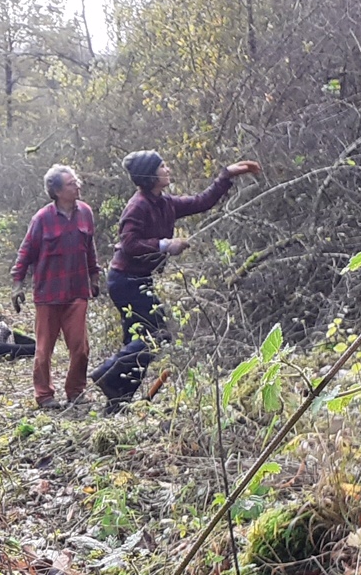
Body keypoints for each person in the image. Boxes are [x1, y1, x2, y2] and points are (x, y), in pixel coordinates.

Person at [94, 151, 262, 404]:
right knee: (158, 335)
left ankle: (119, 399)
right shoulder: (138, 205)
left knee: (136, 339)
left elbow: (201, 202)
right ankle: (106, 373)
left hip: (139, 280)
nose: (168, 169)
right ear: (150, 175)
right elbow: (129, 243)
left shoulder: (164, 202)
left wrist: (226, 176)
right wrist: (164, 245)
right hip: (124, 281)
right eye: (162, 166)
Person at [12, 165, 100, 409]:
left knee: (80, 348)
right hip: (48, 293)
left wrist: (94, 276)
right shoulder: (42, 218)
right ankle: (44, 395)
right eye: (72, 184)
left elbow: (89, 247)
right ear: (57, 191)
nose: (78, 186)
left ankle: (75, 391)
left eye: (77, 181)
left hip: (77, 291)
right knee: (43, 351)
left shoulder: (86, 213)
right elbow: (26, 252)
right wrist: (17, 285)